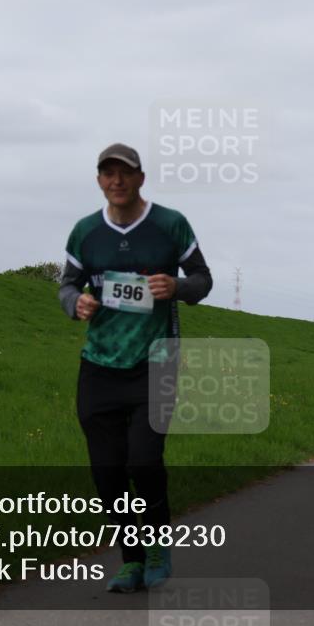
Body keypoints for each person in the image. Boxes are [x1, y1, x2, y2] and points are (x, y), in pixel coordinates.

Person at [59, 143, 213, 592]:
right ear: (99, 181)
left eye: (124, 173)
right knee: (107, 473)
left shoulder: (170, 225)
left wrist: (177, 286)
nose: (117, 181)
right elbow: (66, 284)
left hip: (156, 362)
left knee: (144, 463)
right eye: (108, 174)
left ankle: (157, 544)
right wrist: (76, 302)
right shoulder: (85, 232)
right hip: (99, 365)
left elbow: (203, 280)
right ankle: (131, 560)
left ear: (140, 178)